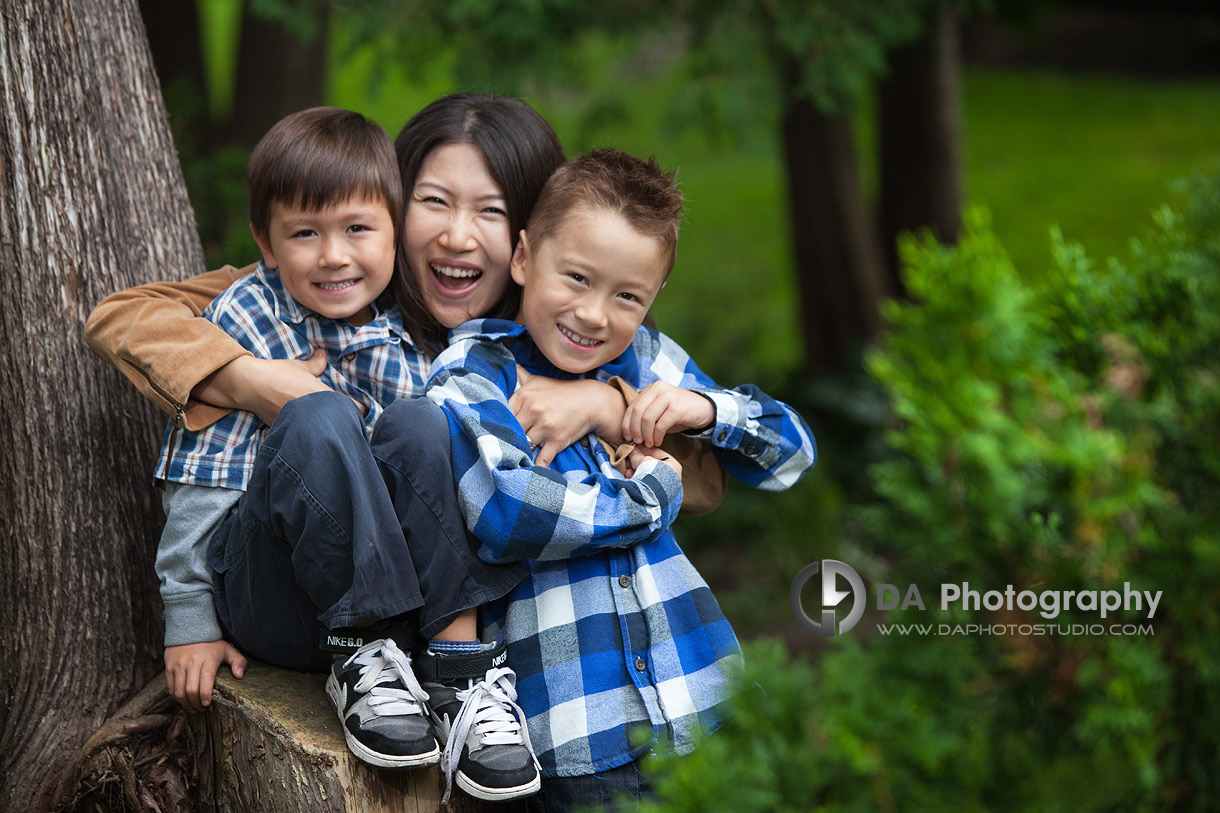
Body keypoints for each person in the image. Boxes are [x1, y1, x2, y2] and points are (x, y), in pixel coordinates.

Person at [85, 93, 725, 806]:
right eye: (434, 201)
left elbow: (696, 476)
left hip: (490, 645)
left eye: (490, 210)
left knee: (426, 426)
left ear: (530, 240)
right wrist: (249, 379)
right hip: (295, 588)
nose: (458, 236)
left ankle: (460, 675)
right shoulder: (341, 285)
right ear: (394, 206)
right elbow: (124, 314)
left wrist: (604, 405)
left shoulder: (563, 331)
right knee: (358, 419)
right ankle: (377, 656)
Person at [424, 148, 817, 809]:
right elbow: (510, 513)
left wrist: (705, 409)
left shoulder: (649, 361)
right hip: (584, 732)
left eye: (627, 295)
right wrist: (656, 490)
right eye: (575, 277)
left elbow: (791, 454)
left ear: (654, 295)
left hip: (707, 697)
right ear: (524, 258)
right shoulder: (475, 371)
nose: (595, 315)